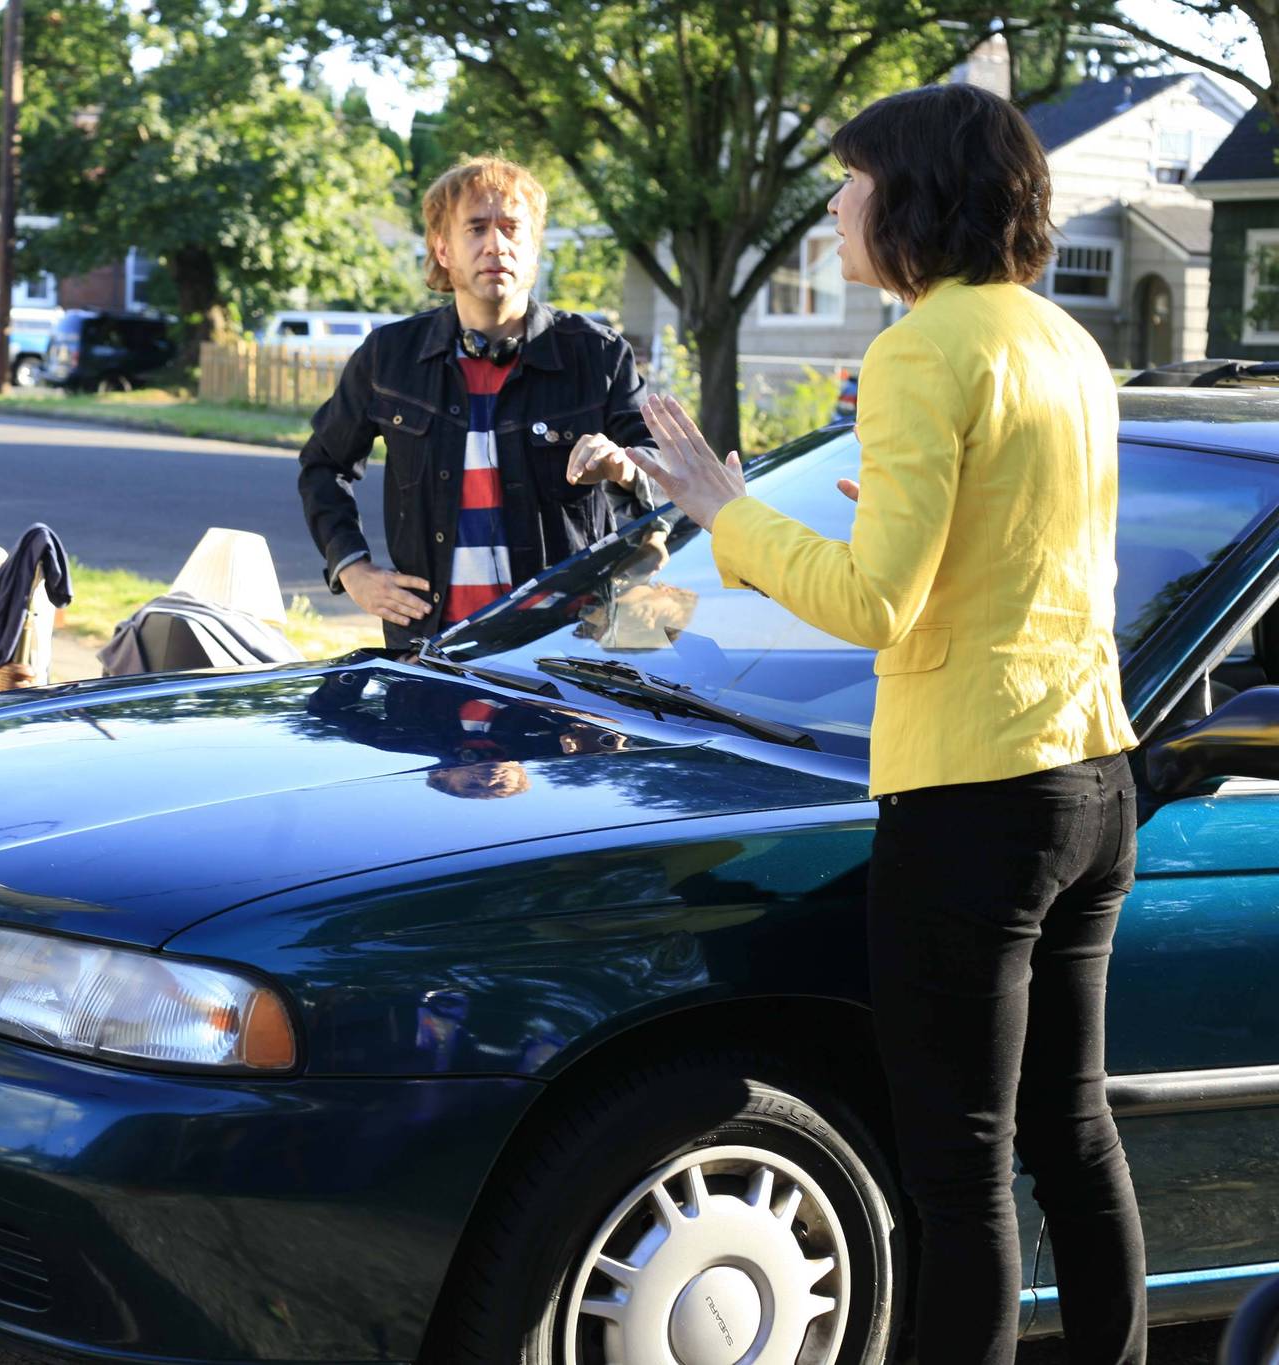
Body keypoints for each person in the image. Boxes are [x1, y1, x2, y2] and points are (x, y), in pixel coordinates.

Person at [631, 83, 1146, 1363]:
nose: (832, 203)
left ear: (910, 195)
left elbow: (872, 603)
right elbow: (1012, 550)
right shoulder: (1060, 340)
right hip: (1091, 779)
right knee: (1071, 1136)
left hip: (972, 801)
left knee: (956, 1173)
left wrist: (721, 511)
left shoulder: (921, 349)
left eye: (850, 180)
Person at [297, 156, 666, 648]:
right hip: (430, 650)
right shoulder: (389, 358)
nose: (496, 244)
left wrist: (623, 466)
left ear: (533, 248)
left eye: (512, 228)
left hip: (564, 647)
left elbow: (666, 474)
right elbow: (323, 465)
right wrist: (352, 570)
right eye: (476, 228)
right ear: (443, 248)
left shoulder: (596, 354)